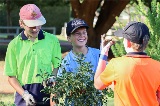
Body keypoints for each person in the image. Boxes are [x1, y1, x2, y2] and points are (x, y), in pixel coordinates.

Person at [4, 4, 61, 106]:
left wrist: (53, 77)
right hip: (23, 95)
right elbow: (11, 76)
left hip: (46, 93)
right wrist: (24, 94)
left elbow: (57, 65)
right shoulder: (13, 45)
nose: (36, 28)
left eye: (38, 24)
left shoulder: (52, 40)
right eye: (32, 25)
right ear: (21, 23)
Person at [94, 21, 160, 106]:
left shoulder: (116, 65)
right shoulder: (158, 66)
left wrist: (103, 56)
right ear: (146, 43)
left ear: (128, 42)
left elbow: (98, 85)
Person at [57, 18, 101, 105]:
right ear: (69, 38)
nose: (82, 35)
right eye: (77, 33)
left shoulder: (98, 54)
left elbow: (107, 77)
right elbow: (60, 88)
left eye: (84, 32)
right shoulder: (66, 62)